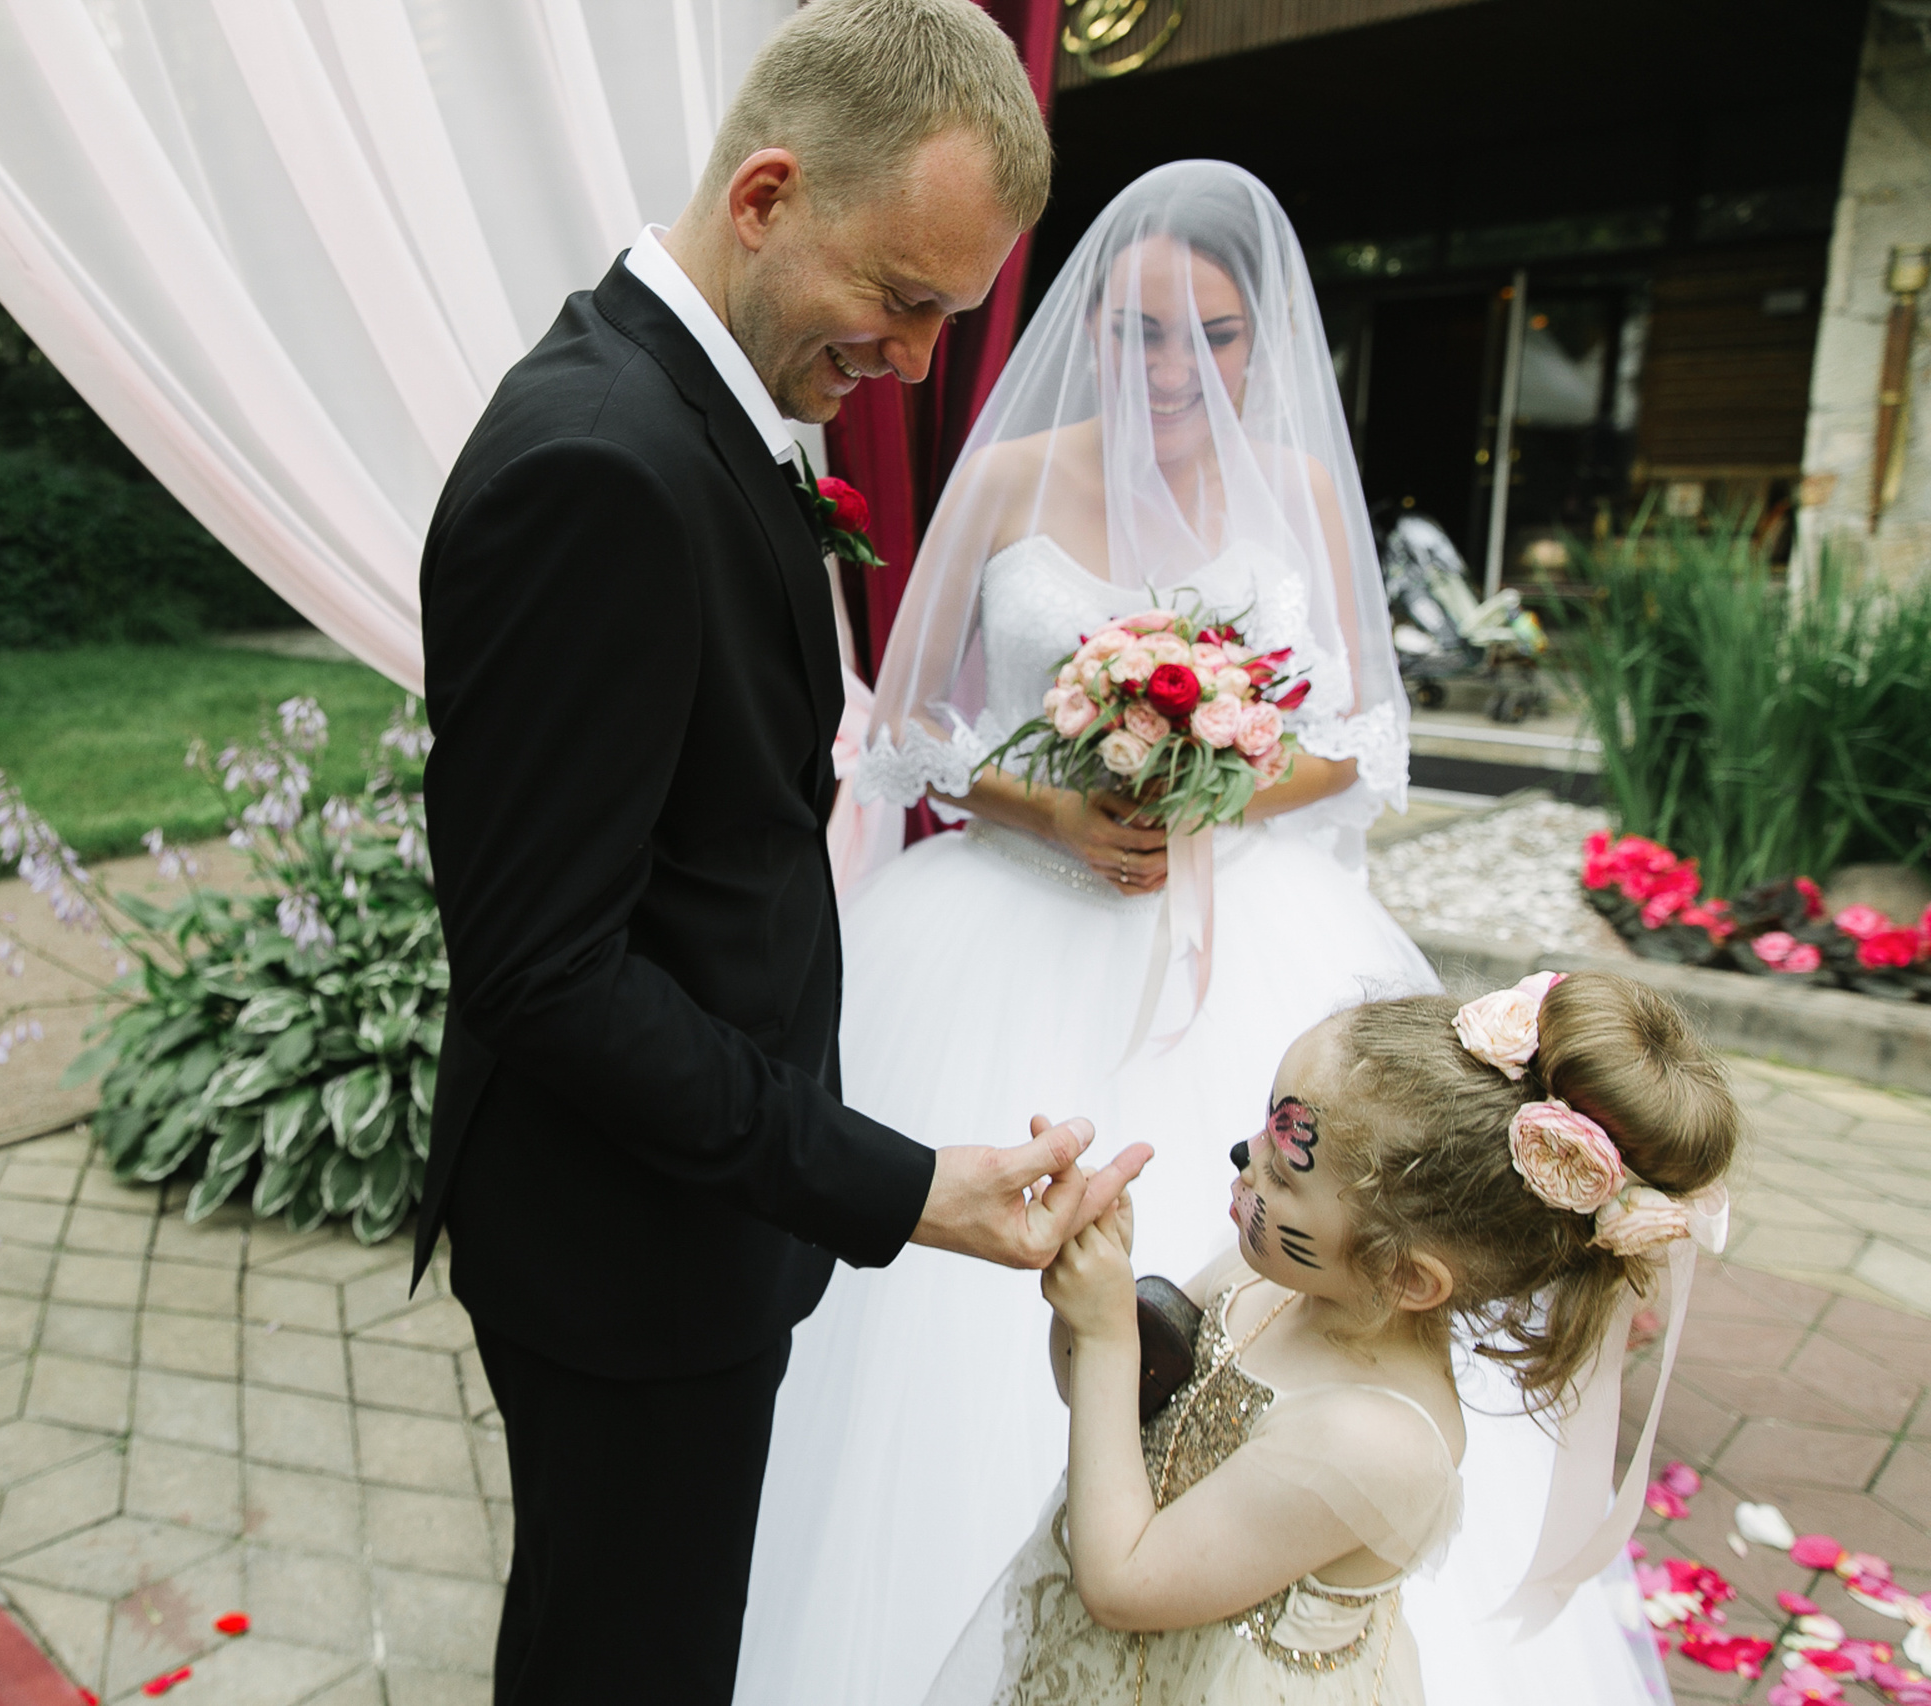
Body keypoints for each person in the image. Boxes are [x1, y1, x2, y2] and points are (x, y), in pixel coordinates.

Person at [415, 5, 1147, 1702]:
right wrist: (897, 1183)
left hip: (691, 1219)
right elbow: (548, 972)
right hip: (624, 1247)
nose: (915, 361)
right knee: (625, 1667)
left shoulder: (705, 407)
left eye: (947, 317)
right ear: (765, 196)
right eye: (901, 299)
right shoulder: (598, 461)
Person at [740, 159, 1437, 1706]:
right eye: (1139, 332)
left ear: (1261, 344)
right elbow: (906, 729)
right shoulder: (1007, 478)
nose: (1175, 369)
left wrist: (1216, 791)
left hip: (1238, 930)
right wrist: (1050, 808)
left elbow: (1360, 739)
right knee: (928, 1313)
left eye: (1214, 336)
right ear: (1091, 329)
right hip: (1007, 922)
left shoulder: (1303, 491)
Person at [923, 970, 1740, 1706]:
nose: (1245, 1156)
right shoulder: (1272, 1276)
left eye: (1284, 1172)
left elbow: (1123, 1584)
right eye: (1266, 1132)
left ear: (1406, 1275)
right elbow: (1104, 1404)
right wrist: (1096, 1299)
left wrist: (1107, 1336)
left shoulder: (1381, 1441)